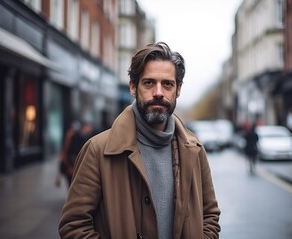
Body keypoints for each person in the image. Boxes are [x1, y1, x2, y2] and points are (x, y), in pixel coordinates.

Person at [58, 42, 221, 238]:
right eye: (149, 83)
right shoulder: (98, 150)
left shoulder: (195, 150)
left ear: (178, 90)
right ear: (133, 87)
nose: (158, 92)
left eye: (167, 84)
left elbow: (210, 216)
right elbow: (73, 226)